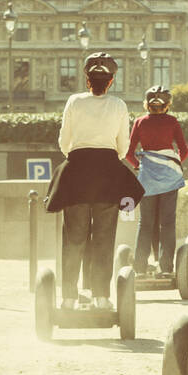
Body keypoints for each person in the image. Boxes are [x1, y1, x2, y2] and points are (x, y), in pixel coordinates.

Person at [45, 51, 141, 309]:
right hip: (108, 174)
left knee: (74, 238)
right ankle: (101, 297)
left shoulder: (74, 102)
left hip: (77, 173)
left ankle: (68, 298)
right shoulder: (119, 105)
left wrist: (78, 155)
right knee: (103, 239)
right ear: (111, 81)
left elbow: (64, 142)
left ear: (87, 79)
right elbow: (123, 146)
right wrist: (108, 156)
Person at [127, 86, 188, 277]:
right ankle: (166, 268)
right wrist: (172, 164)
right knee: (167, 223)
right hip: (170, 178)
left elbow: (129, 154)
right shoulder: (172, 122)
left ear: (146, 104)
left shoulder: (139, 122)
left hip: (147, 180)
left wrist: (139, 165)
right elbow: (184, 150)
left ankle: (139, 269)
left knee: (145, 223)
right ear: (168, 105)